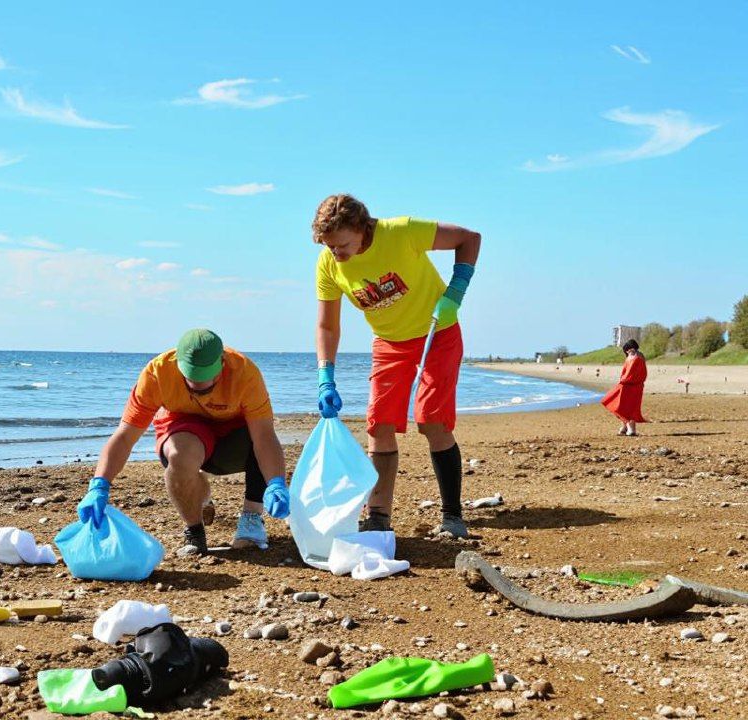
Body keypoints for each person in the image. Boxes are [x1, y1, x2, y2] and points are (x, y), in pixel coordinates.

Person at [311, 194, 481, 538]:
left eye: (342, 245)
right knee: (379, 423)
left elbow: (469, 238)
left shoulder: (401, 231)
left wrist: (455, 292)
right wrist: (325, 376)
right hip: (389, 342)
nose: (336, 255)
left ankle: (452, 516)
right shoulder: (329, 265)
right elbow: (327, 325)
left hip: (439, 331)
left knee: (432, 419)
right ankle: (377, 516)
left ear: (362, 228)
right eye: (330, 247)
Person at [78, 329, 290, 556]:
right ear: (178, 363)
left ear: (222, 362)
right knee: (179, 456)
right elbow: (124, 436)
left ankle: (251, 520)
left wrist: (276, 482)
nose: (201, 390)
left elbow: (264, 437)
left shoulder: (245, 373)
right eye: (192, 381)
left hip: (234, 439)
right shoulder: (157, 373)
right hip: (185, 431)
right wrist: (100, 484)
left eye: (209, 384)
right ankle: (195, 532)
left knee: (256, 438)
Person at [601, 339, 647, 436]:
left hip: (628, 385)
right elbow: (643, 373)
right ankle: (625, 428)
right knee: (631, 407)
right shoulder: (641, 356)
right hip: (638, 386)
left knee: (621, 406)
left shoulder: (632, 356)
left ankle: (630, 429)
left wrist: (622, 381)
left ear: (628, 349)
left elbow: (627, 374)